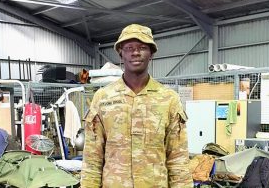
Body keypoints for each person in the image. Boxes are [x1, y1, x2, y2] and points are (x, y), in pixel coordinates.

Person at [81, 24, 193, 188]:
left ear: (151, 54)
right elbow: (92, 158)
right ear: (121, 53)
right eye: (129, 48)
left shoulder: (168, 99)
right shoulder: (103, 99)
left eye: (142, 47)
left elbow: (178, 159)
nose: (135, 52)